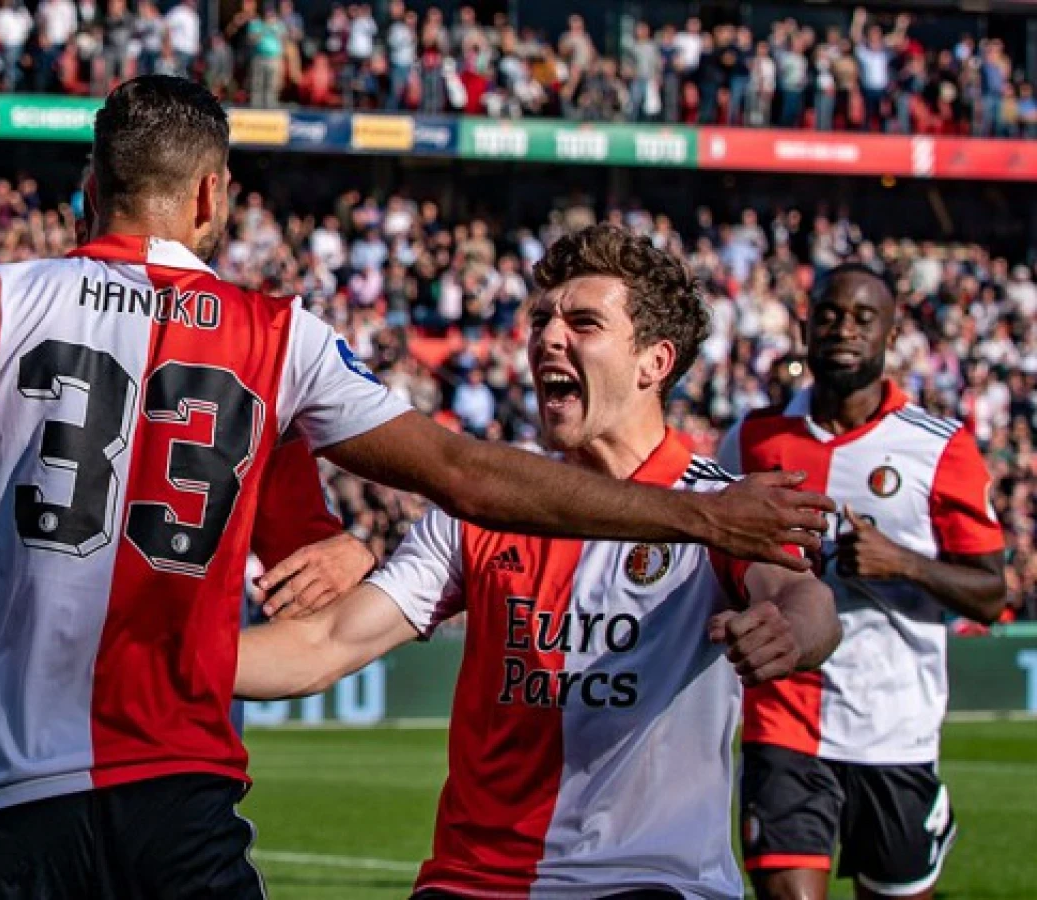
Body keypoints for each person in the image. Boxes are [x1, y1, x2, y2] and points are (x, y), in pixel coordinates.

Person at [0, 76, 831, 898]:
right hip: (173, 796)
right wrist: (697, 512)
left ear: (89, 186)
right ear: (211, 197)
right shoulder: (277, 334)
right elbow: (475, 475)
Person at [231, 224, 840, 899]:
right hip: (473, 883)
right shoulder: (483, 510)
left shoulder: (714, 507)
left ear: (654, 363)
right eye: (542, 319)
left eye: (583, 322)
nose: (548, 338)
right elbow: (325, 643)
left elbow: (805, 601)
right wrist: (158, 668)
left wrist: (790, 631)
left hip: (647, 882)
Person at [719, 263, 1008, 900]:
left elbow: (992, 592)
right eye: (828, 314)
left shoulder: (939, 447)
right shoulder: (751, 439)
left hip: (895, 727)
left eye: (862, 317)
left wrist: (901, 561)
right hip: (784, 720)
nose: (843, 328)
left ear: (890, 332)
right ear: (805, 325)